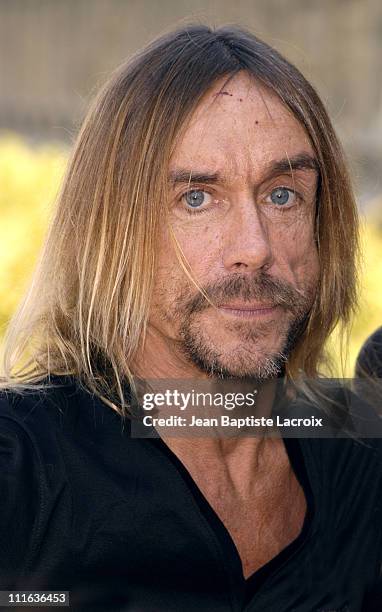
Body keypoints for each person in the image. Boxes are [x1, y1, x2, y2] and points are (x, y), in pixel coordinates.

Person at [0, 24, 381, 612]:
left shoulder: (357, 452)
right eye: (196, 197)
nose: (254, 247)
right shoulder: (25, 473)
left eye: (283, 194)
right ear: (109, 229)